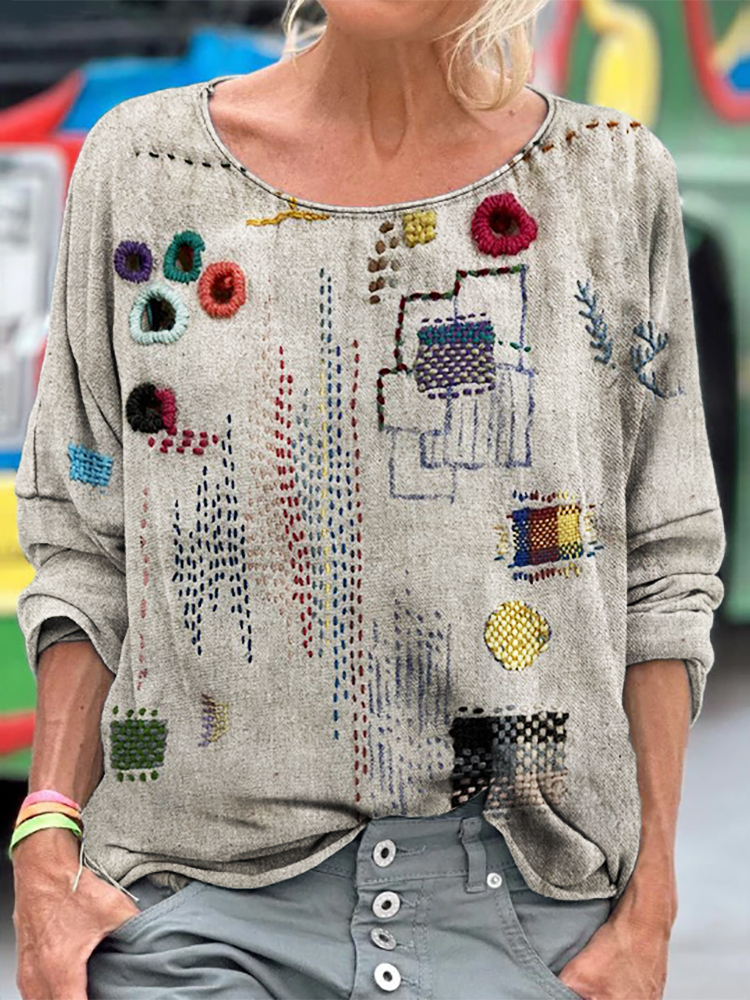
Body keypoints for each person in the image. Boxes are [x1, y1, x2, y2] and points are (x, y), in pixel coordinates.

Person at [10, 1, 725, 998]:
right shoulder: (146, 165)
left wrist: (650, 911)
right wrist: (46, 836)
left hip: (527, 919)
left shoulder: (608, 175)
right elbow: (86, 539)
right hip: (193, 908)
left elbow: (664, 566)